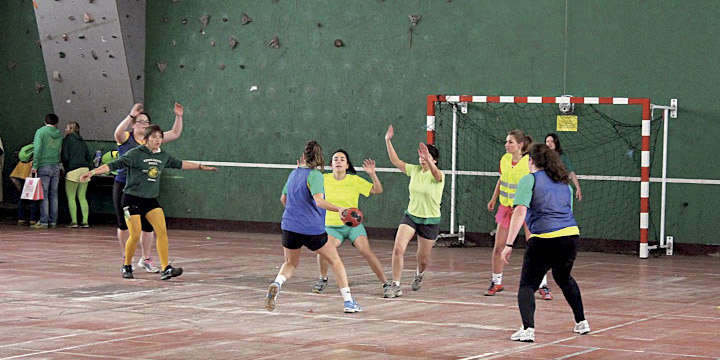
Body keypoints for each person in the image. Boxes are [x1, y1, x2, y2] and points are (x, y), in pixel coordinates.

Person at [80, 125, 217, 280]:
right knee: (135, 233)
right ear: (146, 139)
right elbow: (114, 165)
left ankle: (166, 268)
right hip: (131, 199)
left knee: (162, 232)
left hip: (150, 199)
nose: (157, 140)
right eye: (154, 137)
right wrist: (92, 172)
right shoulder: (135, 154)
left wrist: (200, 167)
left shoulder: (162, 156)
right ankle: (127, 265)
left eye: (159, 137)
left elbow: (180, 164)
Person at [501, 143, 590, 342]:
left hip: (544, 239)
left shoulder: (529, 180)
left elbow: (520, 212)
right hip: (570, 237)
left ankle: (527, 329)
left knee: (527, 286)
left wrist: (508, 244)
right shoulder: (564, 185)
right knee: (564, 277)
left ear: (530, 161)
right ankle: (582, 322)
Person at [265, 140, 363, 313]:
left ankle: (277, 283)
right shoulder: (315, 175)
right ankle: (348, 302)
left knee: (290, 263)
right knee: (335, 260)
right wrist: (339, 208)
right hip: (311, 229)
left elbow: (283, 199)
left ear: (303, 157)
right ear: (320, 159)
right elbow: (319, 201)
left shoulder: (294, 173)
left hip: (289, 227)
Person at [113, 102, 184, 273]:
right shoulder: (126, 137)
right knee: (124, 226)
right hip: (124, 185)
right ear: (134, 124)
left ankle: (146, 259)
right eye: (140, 121)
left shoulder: (153, 139)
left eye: (146, 122)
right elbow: (117, 133)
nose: (143, 124)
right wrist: (130, 115)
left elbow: (174, 133)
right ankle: (126, 257)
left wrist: (178, 116)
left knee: (148, 226)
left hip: (145, 189)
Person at [486, 130, 554, 299]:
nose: (506, 145)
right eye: (506, 141)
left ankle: (543, 284)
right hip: (507, 208)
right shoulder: (505, 159)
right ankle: (496, 281)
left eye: (510, 142)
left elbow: (537, 182)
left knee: (535, 247)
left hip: (527, 208)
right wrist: (494, 198)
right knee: (498, 246)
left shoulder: (528, 162)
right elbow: (502, 179)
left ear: (520, 145)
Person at [311, 149, 389, 295]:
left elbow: (377, 190)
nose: (338, 161)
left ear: (347, 165)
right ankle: (323, 278)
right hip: (331, 226)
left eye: (342, 159)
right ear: (331, 164)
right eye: (335, 159)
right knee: (323, 250)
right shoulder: (323, 179)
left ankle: (386, 283)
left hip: (353, 225)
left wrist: (372, 174)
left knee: (366, 251)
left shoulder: (354, 181)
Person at [383, 125, 445, 298]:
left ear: (435, 160)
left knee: (423, 259)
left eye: (426, 157)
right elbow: (396, 161)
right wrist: (388, 140)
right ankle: (395, 285)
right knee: (398, 249)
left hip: (430, 220)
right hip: (411, 216)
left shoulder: (439, 175)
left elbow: (437, 175)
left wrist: (429, 161)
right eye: (421, 156)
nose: (422, 159)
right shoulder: (414, 170)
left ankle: (419, 274)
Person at [31, 114, 63, 229]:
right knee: (54, 194)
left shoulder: (41, 132)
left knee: (44, 195)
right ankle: (53, 221)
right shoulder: (59, 134)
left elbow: (38, 148)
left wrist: (35, 165)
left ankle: (44, 221)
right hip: (55, 166)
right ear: (56, 123)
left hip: (44, 165)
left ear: (45, 121)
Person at [62, 122, 93, 228]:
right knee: (82, 197)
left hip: (72, 170)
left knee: (71, 197)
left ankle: (74, 221)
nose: (65, 129)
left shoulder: (67, 141)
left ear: (70, 129)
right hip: (85, 170)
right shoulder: (82, 141)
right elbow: (89, 157)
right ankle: (85, 221)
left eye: (66, 127)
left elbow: (65, 156)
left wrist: (66, 168)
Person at [545, 133, 582, 201]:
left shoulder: (562, 156)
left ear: (556, 143)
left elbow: (571, 173)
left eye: (552, 141)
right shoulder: (542, 156)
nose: (549, 143)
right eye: (547, 141)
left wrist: (578, 188)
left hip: (560, 189)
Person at [9, 144, 39, 225]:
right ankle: (33, 220)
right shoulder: (37, 153)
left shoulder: (24, 156)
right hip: (31, 178)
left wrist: (20, 190)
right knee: (34, 200)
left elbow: (12, 177)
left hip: (20, 178)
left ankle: (20, 219)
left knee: (22, 199)